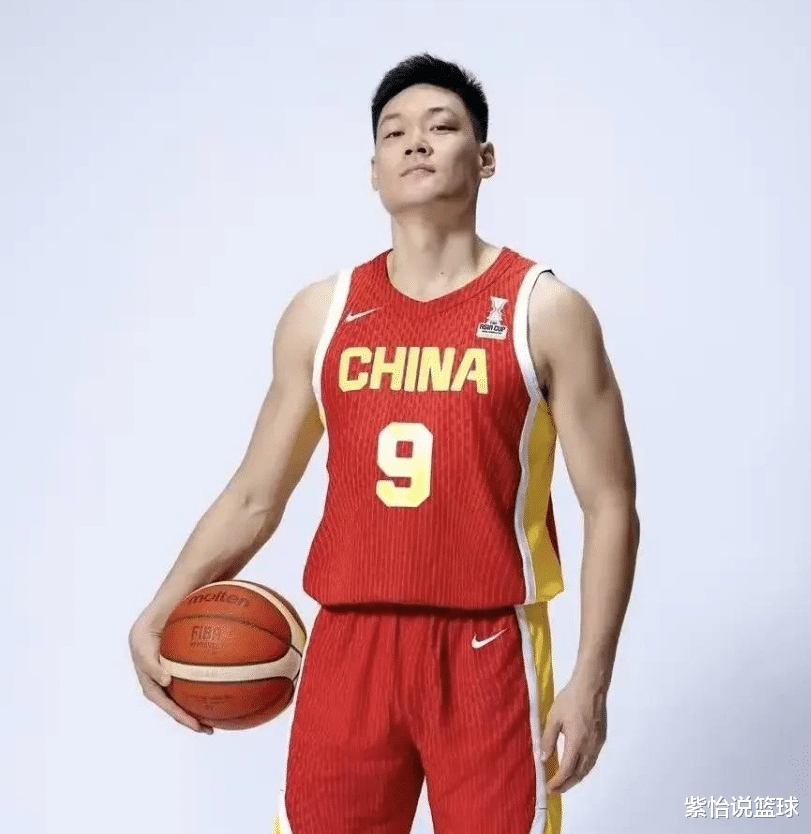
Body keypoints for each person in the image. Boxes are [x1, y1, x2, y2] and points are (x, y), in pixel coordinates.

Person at [129, 53, 640, 834]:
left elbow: (609, 505)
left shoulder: (544, 310)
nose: (416, 142)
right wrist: (161, 607)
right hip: (347, 646)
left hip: (487, 645)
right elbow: (256, 495)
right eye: (393, 133)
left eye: (442, 127)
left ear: (485, 158)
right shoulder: (322, 313)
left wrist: (590, 680)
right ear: (373, 171)